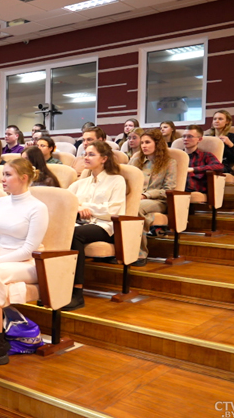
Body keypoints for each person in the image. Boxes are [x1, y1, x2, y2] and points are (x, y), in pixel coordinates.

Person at [0, 158, 49, 367]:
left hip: (27, 263)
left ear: (23, 178)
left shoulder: (37, 208)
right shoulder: (2, 201)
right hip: (0, 259)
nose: (2, 179)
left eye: (8, 175)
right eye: (3, 174)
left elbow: (28, 249)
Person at [67, 141, 127, 311]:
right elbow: (66, 200)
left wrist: (88, 209)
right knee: (63, 233)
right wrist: (79, 207)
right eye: (85, 154)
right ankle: (57, 289)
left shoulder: (117, 180)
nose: (86, 157)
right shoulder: (81, 183)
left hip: (105, 226)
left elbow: (114, 210)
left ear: (104, 158)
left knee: (73, 234)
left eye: (91, 154)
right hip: (80, 223)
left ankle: (77, 293)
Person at [130, 130, 176, 261]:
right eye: (142, 142)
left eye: (148, 142)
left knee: (136, 207)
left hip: (159, 201)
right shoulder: (135, 161)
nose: (144, 145)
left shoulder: (169, 162)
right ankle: (122, 249)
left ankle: (140, 254)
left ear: (157, 144)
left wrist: (146, 195)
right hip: (136, 199)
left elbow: (168, 189)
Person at [181, 125, 224, 193]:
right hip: (174, 185)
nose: (185, 139)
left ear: (200, 139)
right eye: (184, 136)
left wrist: (193, 169)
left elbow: (219, 167)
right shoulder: (178, 155)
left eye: (190, 136)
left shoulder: (205, 155)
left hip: (192, 187)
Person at [205, 109, 234, 173]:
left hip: (222, 164)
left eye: (220, 119)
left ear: (227, 121)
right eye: (215, 119)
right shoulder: (207, 137)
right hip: (206, 163)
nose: (217, 121)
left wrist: (230, 144)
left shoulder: (233, 137)